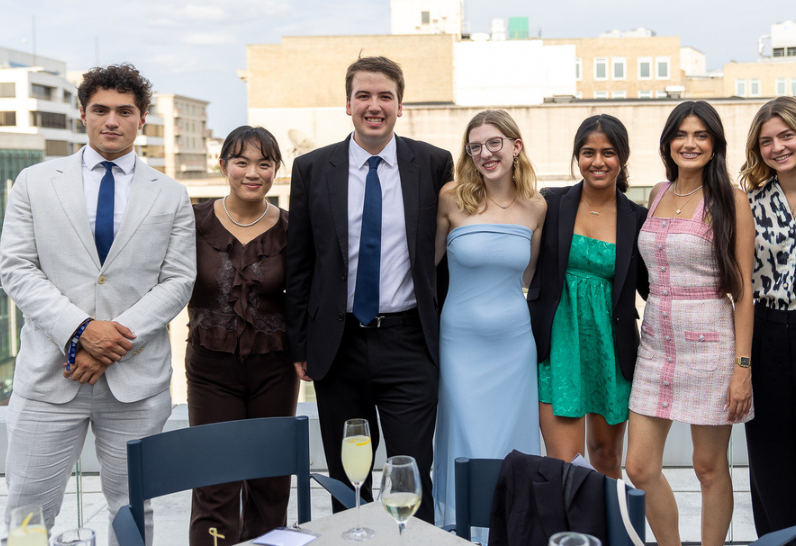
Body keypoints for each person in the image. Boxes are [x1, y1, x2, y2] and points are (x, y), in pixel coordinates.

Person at [0, 64, 196, 545]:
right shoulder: (35, 182)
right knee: (27, 508)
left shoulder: (170, 194)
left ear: (142, 118)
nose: (113, 120)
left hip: (136, 384)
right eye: (101, 110)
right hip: (49, 378)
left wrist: (110, 343)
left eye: (125, 111)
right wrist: (81, 330)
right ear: (83, 114)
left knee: (132, 512)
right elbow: (17, 268)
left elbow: (177, 281)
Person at [285, 55, 453, 523]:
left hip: (410, 344)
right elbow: (300, 265)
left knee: (413, 476)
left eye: (385, 96)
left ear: (401, 106)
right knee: (347, 479)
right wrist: (299, 342)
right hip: (337, 348)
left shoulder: (435, 164)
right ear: (347, 104)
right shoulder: (313, 169)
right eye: (364, 95)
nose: (374, 106)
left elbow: (444, 260)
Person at [624, 100, 754, 546]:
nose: (690, 143)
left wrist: (743, 367)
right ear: (668, 142)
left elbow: (743, 292)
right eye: (681, 134)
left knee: (708, 466)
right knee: (639, 467)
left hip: (712, 343)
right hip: (657, 343)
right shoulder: (658, 192)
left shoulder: (731, 200)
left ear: (715, 144)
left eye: (701, 135)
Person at [432, 109, 546, 526]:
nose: (485, 153)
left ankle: (507, 529)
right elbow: (426, 268)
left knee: (510, 444)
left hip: (514, 347)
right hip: (460, 345)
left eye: (494, 142)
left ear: (516, 146)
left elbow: (530, 277)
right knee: (467, 442)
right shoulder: (451, 197)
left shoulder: (537, 207)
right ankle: (463, 530)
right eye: (475, 145)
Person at [186, 126, 298, 545]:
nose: (253, 172)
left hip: (276, 367)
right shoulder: (192, 222)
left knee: (271, 484)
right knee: (215, 485)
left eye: (264, 163)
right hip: (210, 369)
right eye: (241, 162)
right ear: (223, 166)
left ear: (276, 171)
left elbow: (307, 294)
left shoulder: (292, 227)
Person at [528, 114, 648, 479]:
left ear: (622, 157)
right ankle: (569, 537)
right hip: (558, 343)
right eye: (588, 152)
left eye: (608, 152)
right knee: (565, 464)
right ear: (577, 157)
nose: (598, 162)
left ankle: (605, 533)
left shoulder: (638, 218)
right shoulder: (549, 204)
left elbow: (653, 285)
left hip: (610, 346)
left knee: (606, 457)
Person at [738, 97, 796, 543]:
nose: (778, 147)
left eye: (786, 135)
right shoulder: (749, 203)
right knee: (769, 459)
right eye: (767, 141)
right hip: (767, 332)